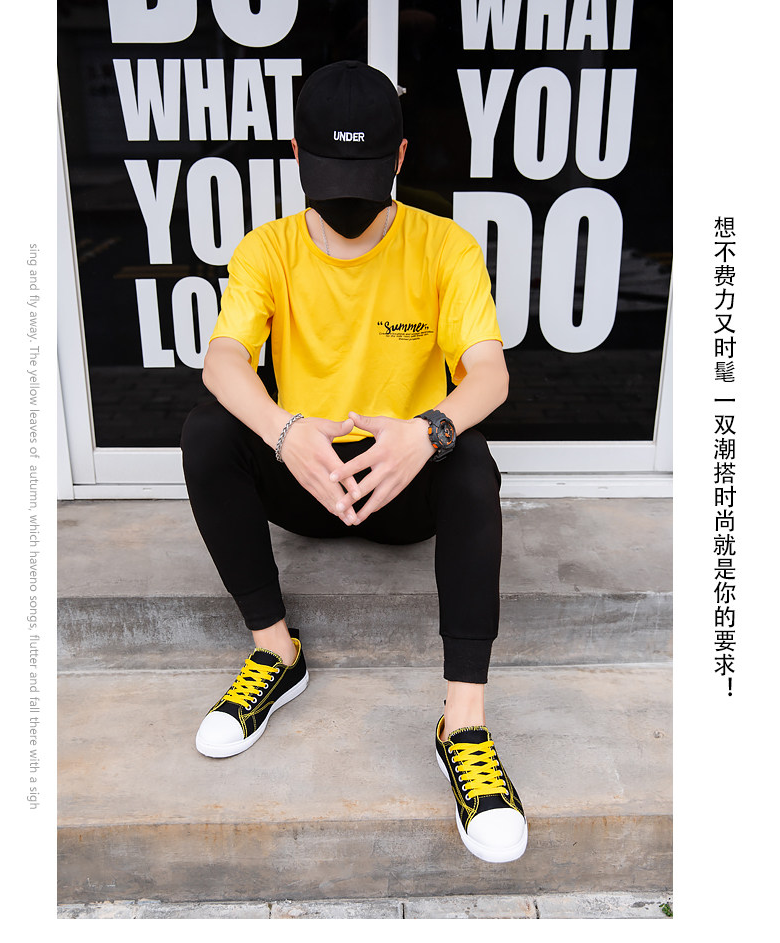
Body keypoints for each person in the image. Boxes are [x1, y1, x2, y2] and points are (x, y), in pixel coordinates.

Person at [180, 60, 527, 864]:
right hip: (307, 476)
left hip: (401, 482)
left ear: (400, 157)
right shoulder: (267, 250)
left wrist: (427, 430)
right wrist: (283, 430)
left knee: (473, 462)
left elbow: (491, 373)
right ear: (296, 154)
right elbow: (223, 359)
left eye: (365, 173)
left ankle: (462, 724)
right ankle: (277, 651)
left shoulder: (443, 246)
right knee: (208, 432)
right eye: (330, 173)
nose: (347, 201)